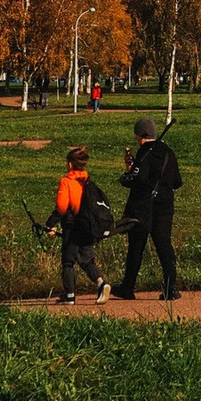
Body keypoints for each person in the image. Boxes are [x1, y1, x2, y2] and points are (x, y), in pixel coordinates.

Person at [117, 116, 182, 300]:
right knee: (164, 245)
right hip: (165, 205)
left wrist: (126, 174)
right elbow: (177, 181)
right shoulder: (168, 152)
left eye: (137, 135)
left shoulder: (145, 152)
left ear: (142, 135)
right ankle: (170, 287)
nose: (136, 138)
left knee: (136, 246)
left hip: (143, 206)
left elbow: (137, 179)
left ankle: (128, 287)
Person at [42, 145, 113, 303]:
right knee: (86, 259)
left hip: (72, 226)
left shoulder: (66, 182)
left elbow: (62, 207)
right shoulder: (87, 181)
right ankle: (101, 283)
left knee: (68, 262)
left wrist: (50, 224)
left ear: (69, 164)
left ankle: (69, 295)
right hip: (88, 226)